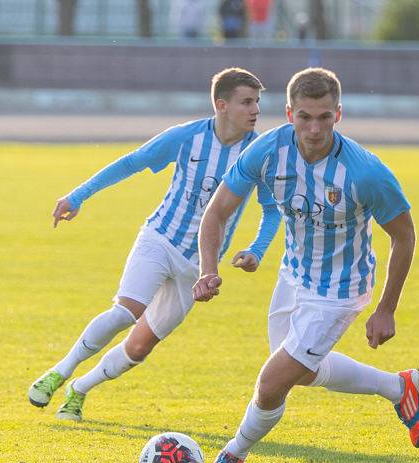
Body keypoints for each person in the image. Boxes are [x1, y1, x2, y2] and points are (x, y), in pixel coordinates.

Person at [193, 67, 419, 463]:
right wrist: (208, 270)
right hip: (293, 275)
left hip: (340, 291)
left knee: (272, 381)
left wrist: (386, 309)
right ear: (288, 114)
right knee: (299, 371)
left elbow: (404, 238)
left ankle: (232, 456)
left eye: (324, 117)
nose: (314, 128)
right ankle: (399, 387)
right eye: (305, 117)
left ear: (339, 114)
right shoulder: (267, 152)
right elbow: (218, 211)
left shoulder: (365, 172)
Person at [27, 68, 279, 422]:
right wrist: (78, 195)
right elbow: (132, 162)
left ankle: (79, 389)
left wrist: (257, 249)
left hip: (198, 266)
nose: (255, 110)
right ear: (222, 105)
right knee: (127, 310)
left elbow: (271, 210)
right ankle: (60, 371)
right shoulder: (186, 137)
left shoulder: (258, 152)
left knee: (140, 346)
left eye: (257, 102)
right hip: (160, 238)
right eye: (247, 102)